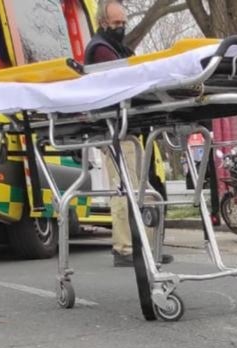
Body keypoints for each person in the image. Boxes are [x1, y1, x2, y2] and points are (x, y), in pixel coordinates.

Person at [84, 1, 172, 266]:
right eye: (116, 23)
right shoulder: (101, 50)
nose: (121, 27)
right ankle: (125, 248)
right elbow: (125, 80)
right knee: (125, 190)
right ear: (103, 23)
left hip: (127, 129)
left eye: (123, 23)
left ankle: (144, 246)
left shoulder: (114, 48)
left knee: (138, 190)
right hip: (116, 130)